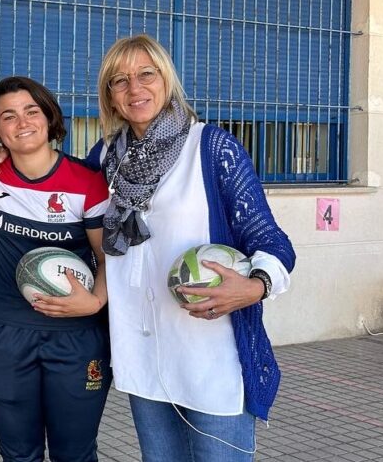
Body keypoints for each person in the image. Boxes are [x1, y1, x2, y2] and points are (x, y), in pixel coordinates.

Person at [91, 35, 295, 461]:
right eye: (119, 81)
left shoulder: (212, 148)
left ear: (167, 79)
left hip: (211, 354)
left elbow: (267, 236)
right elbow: (53, 178)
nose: (135, 88)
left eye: (146, 74)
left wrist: (255, 286)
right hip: (143, 351)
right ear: (109, 95)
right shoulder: (106, 157)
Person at [0, 76, 112, 461]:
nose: (22, 123)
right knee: (18, 455)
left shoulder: (88, 183)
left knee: (75, 454)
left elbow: (108, 258)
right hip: (7, 335)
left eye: (31, 111)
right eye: (9, 116)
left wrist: (96, 301)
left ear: (49, 117)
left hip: (76, 337)